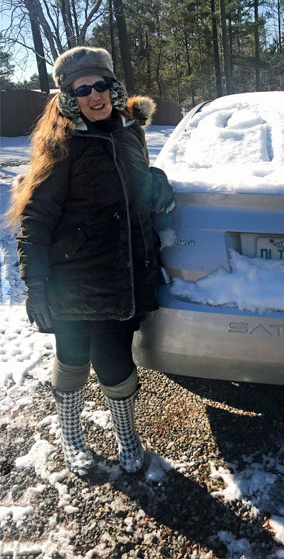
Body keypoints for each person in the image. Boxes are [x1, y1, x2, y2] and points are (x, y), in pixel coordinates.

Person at [6, 46, 175, 475]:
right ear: (68, 97)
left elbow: (136, 185)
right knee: (74, 360)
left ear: (114, 89)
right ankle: (71, 436)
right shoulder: (61, 145)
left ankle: (127, 436)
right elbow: (36, 217)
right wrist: (36, 284)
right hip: (73, 283)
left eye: (101, 85)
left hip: (124, 277)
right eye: (83, 89)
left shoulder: (130, 132)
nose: (94, 95)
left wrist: (155, 183)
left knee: (117, 364)